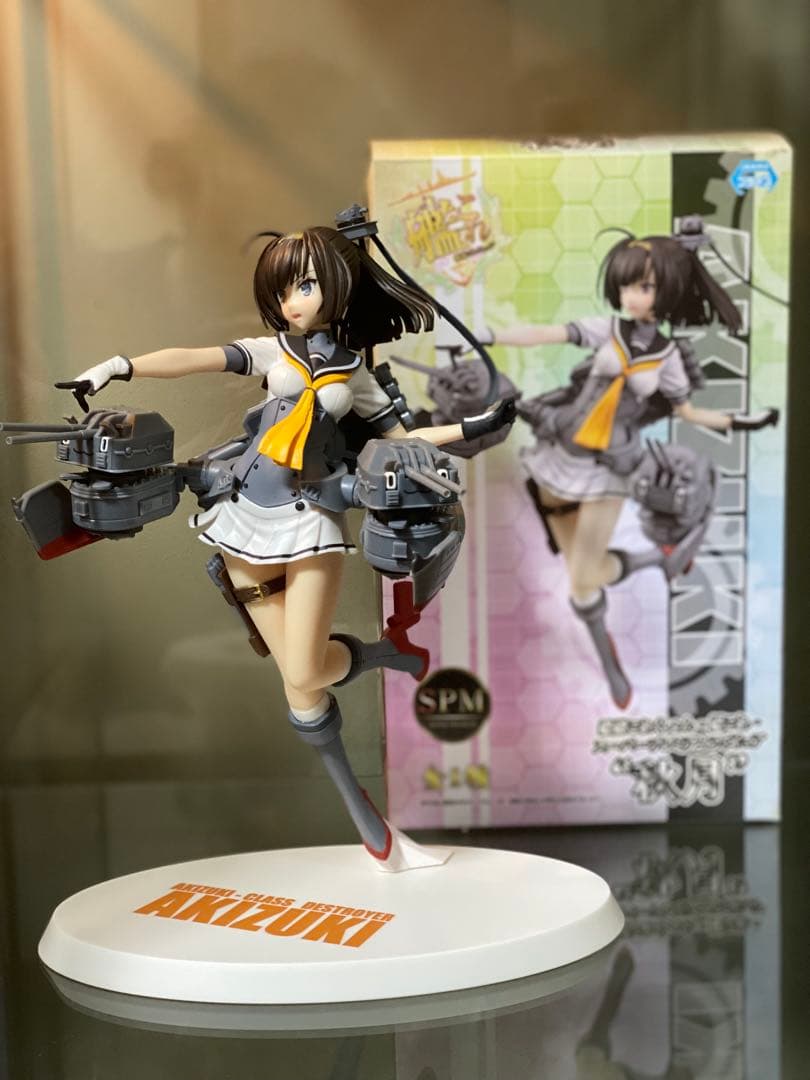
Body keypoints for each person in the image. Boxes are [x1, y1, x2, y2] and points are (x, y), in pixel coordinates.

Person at [64, 223, 512, 869]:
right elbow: (194, 356)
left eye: (304, 285)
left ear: (338, 284)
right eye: (282, 289)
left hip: (311, 519)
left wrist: (471, 427)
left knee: (303, 671)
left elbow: (401, 440)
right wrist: (120, 366)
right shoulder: (271, 351)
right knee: (298, 692)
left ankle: (383, 658)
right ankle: (374, 825)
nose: (291, 301)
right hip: (241, 511)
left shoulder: (356, 374)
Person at [489, 228, 776, 708]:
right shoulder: (608, 329)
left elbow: (687, 411)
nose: (631, 296)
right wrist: (489, 336)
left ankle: (612, 664)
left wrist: (741, 421)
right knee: (583, 577)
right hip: (561, 451)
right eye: (626, 284)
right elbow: (547, 333)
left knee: (583, 579)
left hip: (610, 467)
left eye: (644, 286)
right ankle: (653, 563)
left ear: (668, 291)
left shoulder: (668, 356)